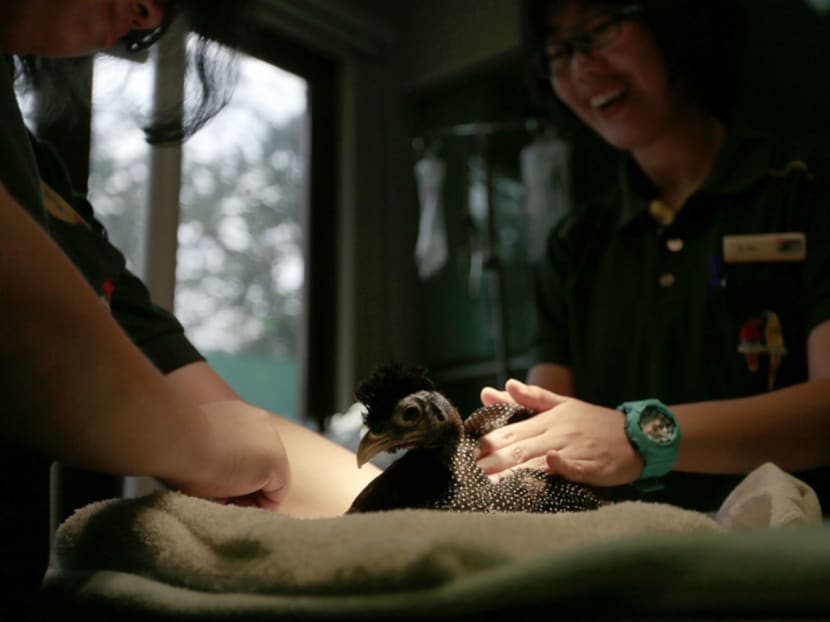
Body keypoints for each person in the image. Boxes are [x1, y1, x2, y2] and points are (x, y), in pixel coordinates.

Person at [0, 0, 380, 608]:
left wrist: (445, 500)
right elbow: (32, 336)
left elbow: (225, 420)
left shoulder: (41, 182)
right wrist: (202, 448)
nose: (146, 11)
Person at [474, 0, 830, 514]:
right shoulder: (575, 246)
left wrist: (642, 435)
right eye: (558, 52)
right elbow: (546, 442)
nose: (581, 67)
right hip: (627, 562)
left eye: (598, 28)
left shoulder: (804, 190)